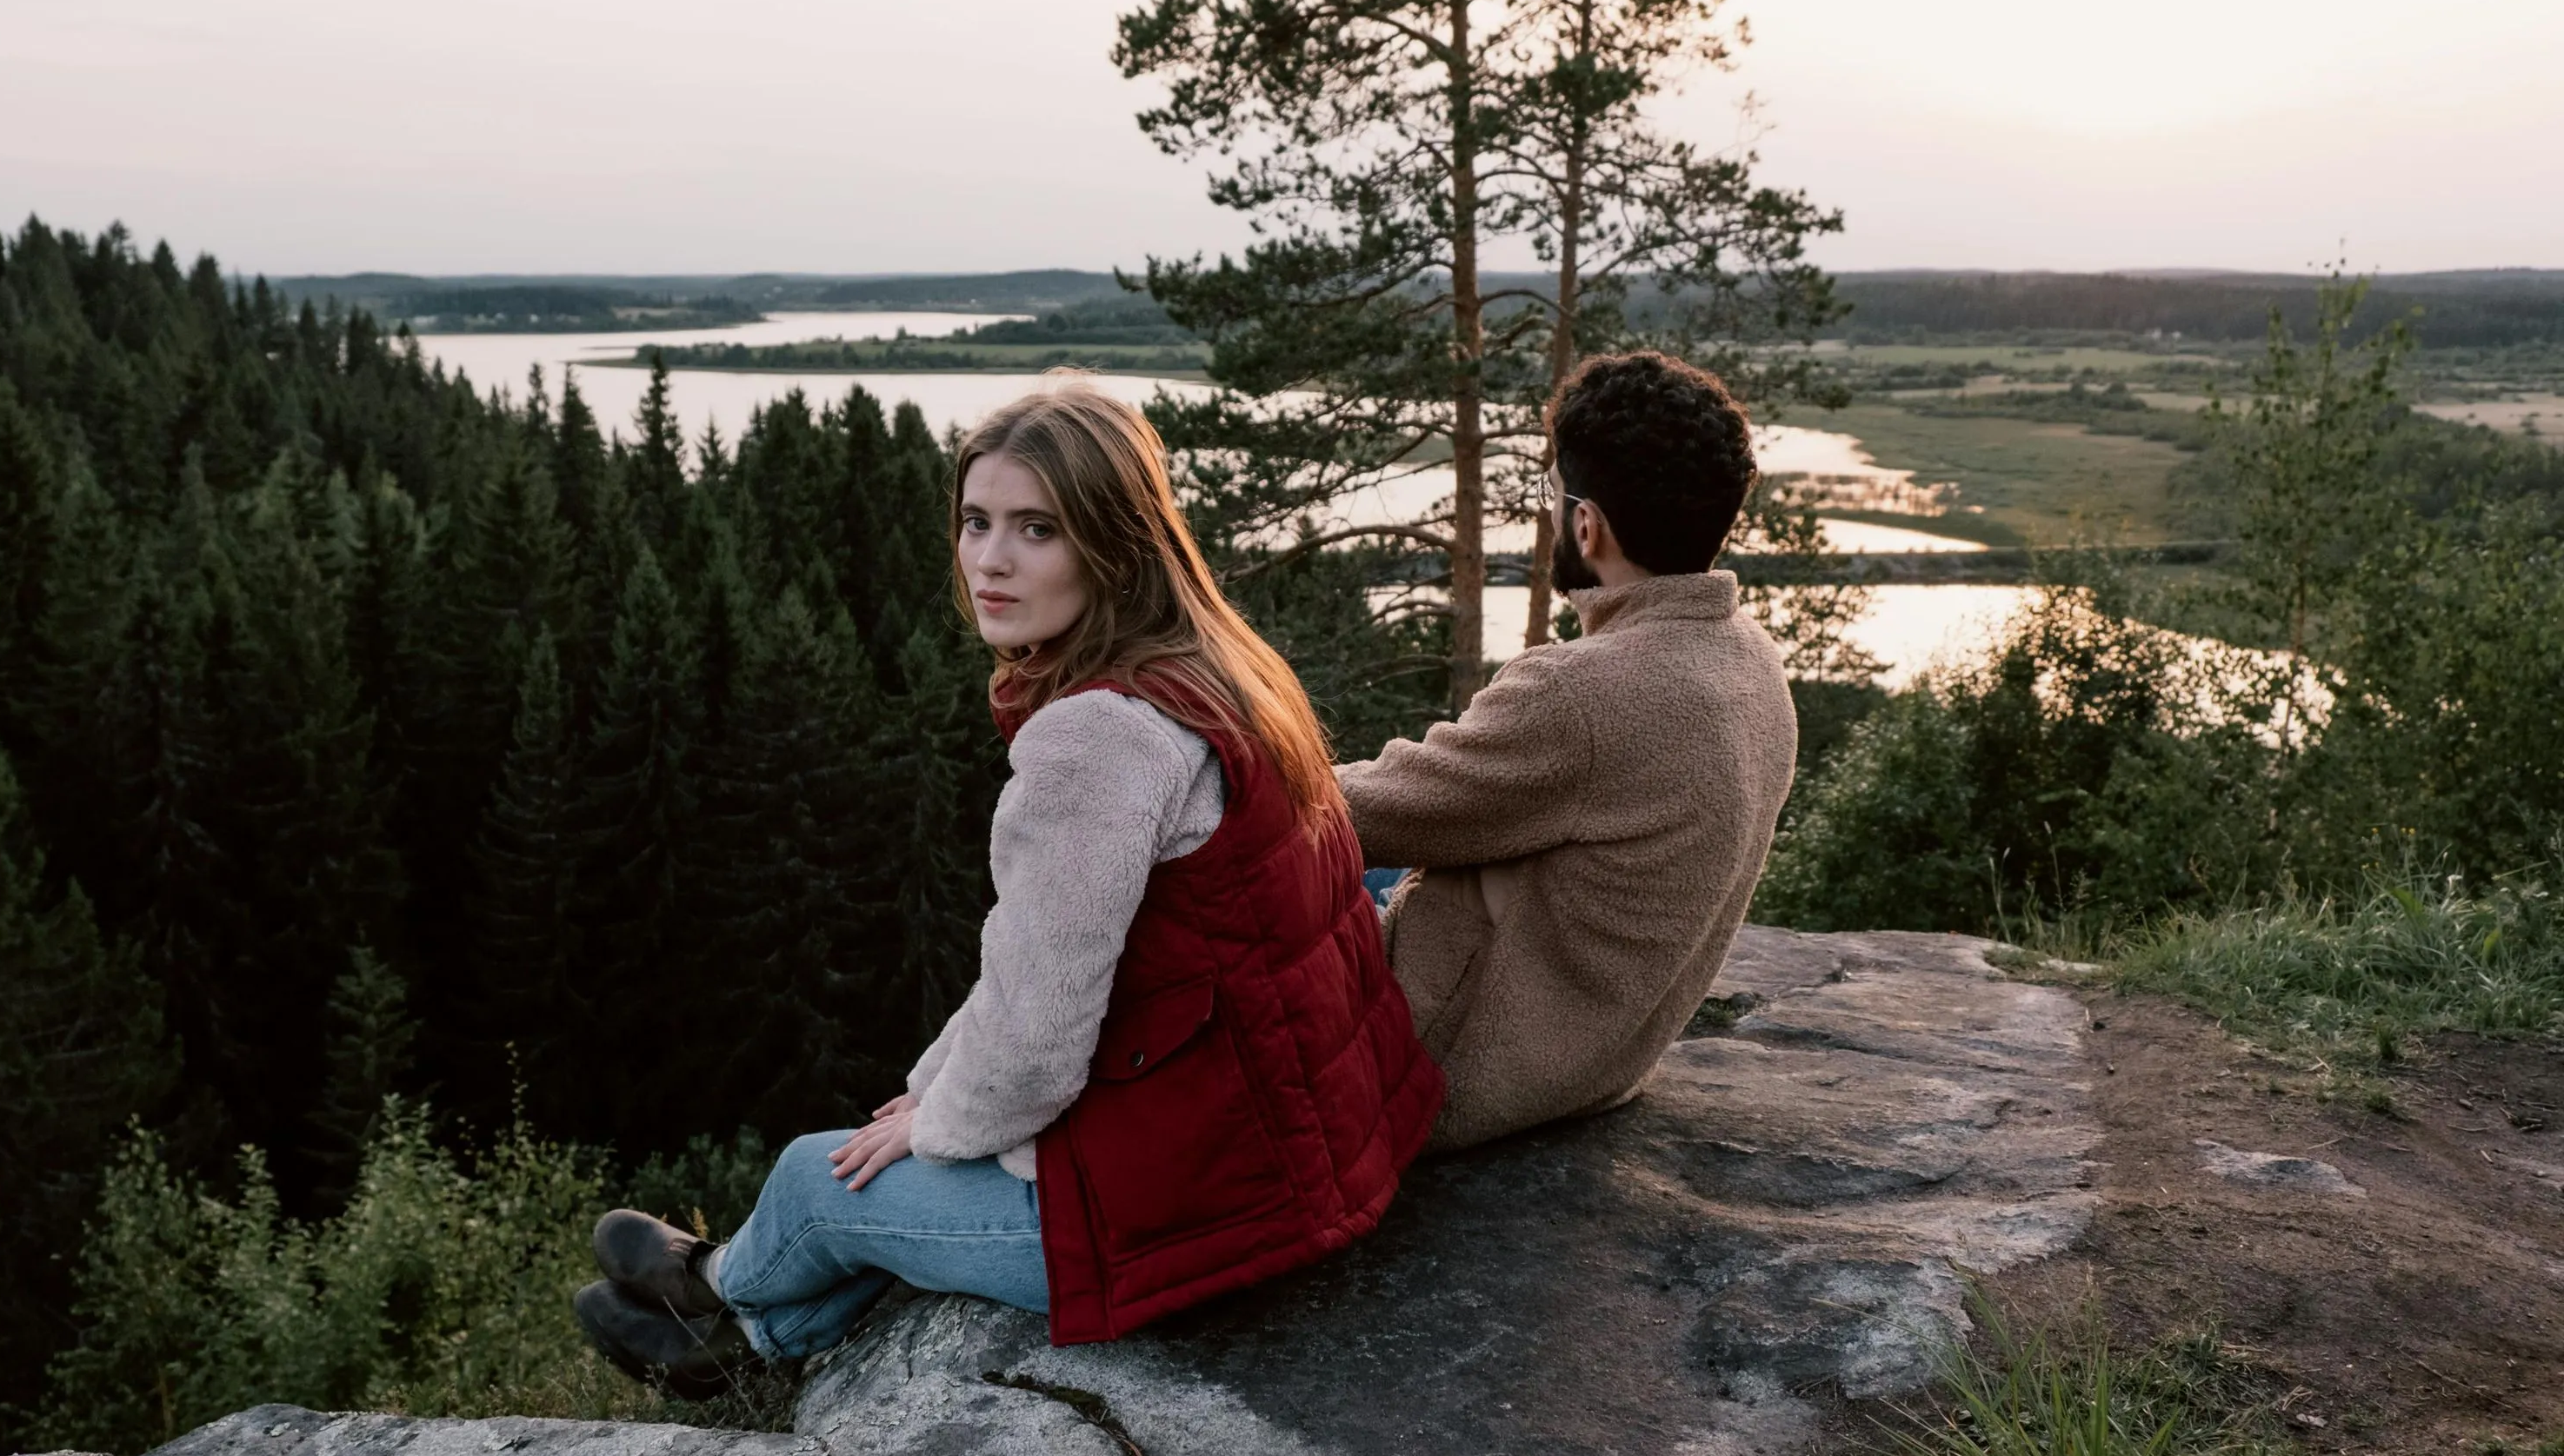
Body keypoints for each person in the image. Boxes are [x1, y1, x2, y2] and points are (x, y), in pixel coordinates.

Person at [576, 376, 1443, 1387]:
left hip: (1200, 1213)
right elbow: (1051, 975)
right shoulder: (1226, 671)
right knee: (889, 1146)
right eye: (976, 521)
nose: (989, 559)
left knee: (818, 1176)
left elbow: (1034, 1045)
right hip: (1300, 1153)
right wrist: (927, 1098)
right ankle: (754, 1356)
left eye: (1037, 529)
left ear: (1113, 546)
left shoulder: (1095, 738)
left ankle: (717, 1286)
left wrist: (934, 1125)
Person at [1337, 350, 1798, 1153]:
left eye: (1552, 494)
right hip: (1599, 1054)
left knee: (1227, 847)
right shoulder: (1749, 656)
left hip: (1451, 1064)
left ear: (1587, 526)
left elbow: (1351, 810)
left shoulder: (1583, 694)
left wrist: (1204, 760)